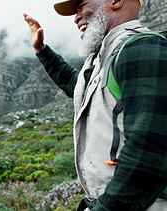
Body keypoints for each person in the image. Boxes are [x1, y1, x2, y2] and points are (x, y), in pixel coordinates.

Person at [24, 0, 167, 210]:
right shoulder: (104, 58)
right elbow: (79, 88)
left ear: (116, 1)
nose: (76, 17)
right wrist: (42, 49)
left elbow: (150, 150)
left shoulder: (142, 48)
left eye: (82, 5)